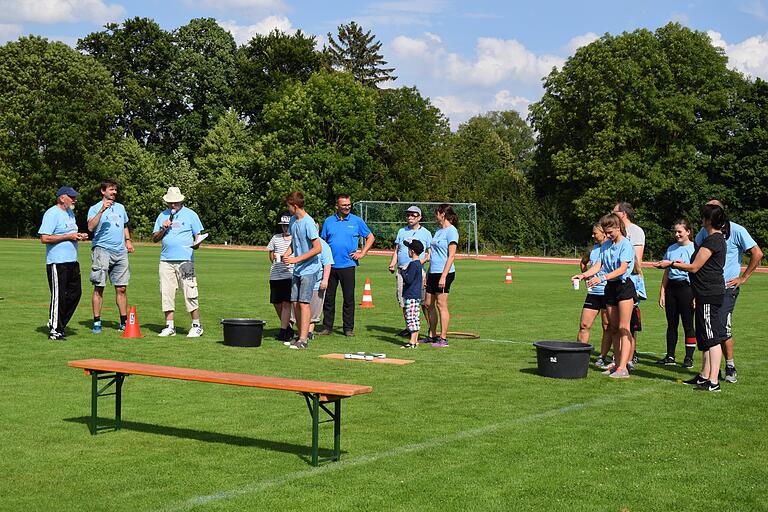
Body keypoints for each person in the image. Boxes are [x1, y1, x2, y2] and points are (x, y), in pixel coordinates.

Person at [657, 204, 727, 392]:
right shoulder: (712, 238)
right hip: (704, 292)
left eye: (704, 217)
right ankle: (704, 376)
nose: (701, 220)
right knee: (704, 335)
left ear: (709, 220)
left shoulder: (713, 240)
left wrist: (671, 263)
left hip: (709, 292)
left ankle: (713, 381)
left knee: (712, 337)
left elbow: (695, 267)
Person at [694, 200, 763, 383]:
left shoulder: (737, 230)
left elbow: (757, 253)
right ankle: (707, 373)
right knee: (707, 329)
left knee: (722, 328)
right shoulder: (704, 232)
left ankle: (729, 366)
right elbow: (698, 257)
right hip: (708, 288)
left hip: (726, 288)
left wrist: (743, 278)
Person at [573, 213, 635, 378]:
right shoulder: (607, 245)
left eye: (610, 232)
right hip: (610, 287)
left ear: (617, 227)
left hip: (623, 287)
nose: (607, 236)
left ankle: (623, 367)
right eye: (606, 233)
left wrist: (603, 277)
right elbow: (599, 265)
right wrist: (584, 275)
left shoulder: (626, 245)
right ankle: (615, 364)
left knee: (623, 327)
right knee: (613, 328)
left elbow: (622, 269)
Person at [318, 194, 375, 337]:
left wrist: (362, 253)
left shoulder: (356, 221)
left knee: (348, 298)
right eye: (344, 205)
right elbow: (322, 242)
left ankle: (348, 328)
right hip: (330, 266)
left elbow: (370, 237)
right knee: (329, 298)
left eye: (349, 204)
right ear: (337, 206)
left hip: (348, 265)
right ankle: (327, 327)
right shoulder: (329, 221)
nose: (347, 207)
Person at [151, 186, 205, 337]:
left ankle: (196, 325)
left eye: (175, 202)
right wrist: (163, 228)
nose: (173, 205)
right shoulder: (162, 215)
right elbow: (154, 238)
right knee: (166, 293)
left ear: (180, 201)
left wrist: (197, 244)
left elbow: (198, 236)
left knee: (190, 291)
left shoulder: (191, 215)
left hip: (186, 260)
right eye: (170, 202)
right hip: (166, 260)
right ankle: (169, 326)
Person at [38, 186, 89, 340]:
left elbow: (69, 233)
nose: (75, 200)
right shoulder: (52, 213)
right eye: (71, 197)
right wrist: (68, 236)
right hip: (57, 262)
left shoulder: (70, 213)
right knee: (58, 296)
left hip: (72, 261)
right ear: (62, 198)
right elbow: (44, 238)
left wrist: (78, 235)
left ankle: (57, 324)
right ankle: (55, 330)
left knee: (76, 294)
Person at [87, 178, 134, 334]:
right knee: (99, 286)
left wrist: (128, 241)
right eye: (111, 190)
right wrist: (102, 210)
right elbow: (90, 227)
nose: (114, 192)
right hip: (102, 250)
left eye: (115, 190)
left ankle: (123, 322)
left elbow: (124, 225)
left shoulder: (121, 208)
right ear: (103, 191)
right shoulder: (94, 208)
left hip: (120, 251)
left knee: (121, 288)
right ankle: (97, 322)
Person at [282, 191, 322, 350]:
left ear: (295, 206)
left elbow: (317, 248)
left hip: (309, 269)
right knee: (295, 302)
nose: (288, 208)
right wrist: (286, 254)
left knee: (304, 303)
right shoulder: (293, 221)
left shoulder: (308, 222)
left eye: (288, 206)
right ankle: (300, 335)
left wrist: (296, 259)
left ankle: (304, 340)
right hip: (297, 269)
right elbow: (295, 242)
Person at [656, 219, 696, 368]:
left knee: (688, 324)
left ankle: (689, 358)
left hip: (687, 289)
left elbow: (696, 272)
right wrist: (662, 291)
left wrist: (696, 295)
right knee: (671, 324)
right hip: (672, 289)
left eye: (680, 231)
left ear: (688, 232)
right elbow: (667, 271)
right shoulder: (671, 248)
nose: (677, 234)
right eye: (675, 231)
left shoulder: (694, 249)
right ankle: (670, 356)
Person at [388, 206, 432, 337]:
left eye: (413, 215)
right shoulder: (401, 231)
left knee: (423, 302)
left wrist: (415, 264)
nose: (410, 217)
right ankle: (409, 328)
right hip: (402, 271)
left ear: (419, 217)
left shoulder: (426, 233)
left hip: (417, 272)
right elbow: (397, 250)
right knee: (404, 301)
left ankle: (431, 328)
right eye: (408, 215)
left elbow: (428, 254)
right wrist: (392, 263)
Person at [613, 201, 645, 365]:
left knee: (629, 323)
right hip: (616, 280)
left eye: (615, 212)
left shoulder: (636, 231)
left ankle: (629, 358)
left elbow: (637, 260)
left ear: (623, 214)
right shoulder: (615, 231)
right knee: (616, 323)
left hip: (629, 281)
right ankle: (619, 356)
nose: (612, 214)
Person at [423, 204, 459, 348]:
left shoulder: (452, 231)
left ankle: (443, 339)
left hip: (445, 272)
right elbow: (433, 255)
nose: (435, 216)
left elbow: (451, 256)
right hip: (433, 272)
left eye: (436, 213)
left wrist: (443, 276)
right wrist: (428, 274)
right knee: (427, 304)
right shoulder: (438, 231)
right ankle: (432, 335)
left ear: (442, 214)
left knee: (441, 304)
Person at [576, 223, 610, 368]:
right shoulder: (593, 249)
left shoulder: (611, 247)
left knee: (607, 326)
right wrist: (583, 276)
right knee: (584, 325)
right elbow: (585, 263)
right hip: (593, 293)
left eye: (595, 233)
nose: (593, 235)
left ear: (604, 233)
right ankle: (578, 354)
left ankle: (602, 356)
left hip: (608, 291)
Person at [268, 212, 294, 343]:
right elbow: (270, 255)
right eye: (283, 225)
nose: (285, 228)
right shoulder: (275, 238)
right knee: (276, 303)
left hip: (289, 275)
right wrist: (275, 257)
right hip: (275, 274)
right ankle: (288, 327)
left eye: (287, 225)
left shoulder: (295, 239)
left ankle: (283, 331)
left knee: (286, 303)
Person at [399, 239, 425, 349]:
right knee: (415, 317)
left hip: (412, 295)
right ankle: (415, 341)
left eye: (409, 249)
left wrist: (402, 271)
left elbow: (409, 280)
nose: (408, 251)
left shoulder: (414, 264)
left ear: (412, 251)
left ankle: (412, 342)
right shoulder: (418, 264)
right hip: (415, 295)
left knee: (411, 318)